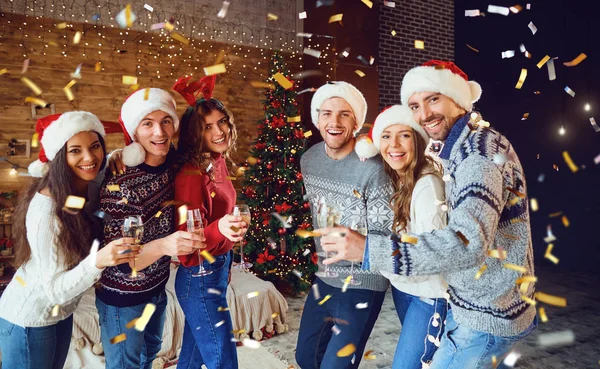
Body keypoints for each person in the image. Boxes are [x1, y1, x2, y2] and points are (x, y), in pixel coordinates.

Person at [325, 60, 537, 368]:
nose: (425, 114)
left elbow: (466, 241)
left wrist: (369, 249)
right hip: (479, 305)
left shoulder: (478, 154)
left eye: (433, 99)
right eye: (415, 105)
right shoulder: (464, 148)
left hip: (487, 315)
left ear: (457, 98)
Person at [0, 112, 137, 369]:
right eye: (76, 150)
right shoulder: (45, 212)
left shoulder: (84, 184)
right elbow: (55, 290)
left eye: (95, 146)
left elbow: (102, 166)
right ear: (60, 157)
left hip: (60, 314)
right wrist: (99, 261)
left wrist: (116, 155)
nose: (89, 157)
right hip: (28, 319)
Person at [95, 88, 206, 369]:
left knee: (150, 355)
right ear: (135, 132)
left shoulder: (174, 163)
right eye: (148, 123)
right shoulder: (119, 183)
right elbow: (123, 262)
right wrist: (167, 246)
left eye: (165, 121)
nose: (160, 131)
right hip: (123, 300)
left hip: (157, 289)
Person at [295, 81, 394, 369]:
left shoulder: (373, 168)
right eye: (326, 113)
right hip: (325, 276)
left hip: (363, 281)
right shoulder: (309, 159)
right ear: (317, 119)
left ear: (356, 121)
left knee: (336, 366)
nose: (334, 122)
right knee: (306, 357)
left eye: (344, 114)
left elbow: (384, 234)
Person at [354, 105, 448, 369]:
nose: (393, 144)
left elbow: (432, 257)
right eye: (385, 136)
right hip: (405, 290)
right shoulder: (401, 178)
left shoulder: (427, 186)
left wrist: (369, 251)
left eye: (404, 135)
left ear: (417, 140)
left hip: (429, 297)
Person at [171, 75, 246, 369]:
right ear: (194, 134)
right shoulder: (191, 174)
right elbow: (186, 245)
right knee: (224, 362)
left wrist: (226, 246)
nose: (219, 131)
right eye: (207, 127)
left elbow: (218, 217)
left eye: (222, 122)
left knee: (193, 359)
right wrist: (220, 230)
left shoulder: (217, 160)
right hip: (199, 276)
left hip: (214, 269)